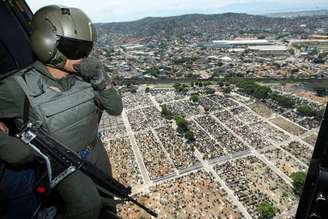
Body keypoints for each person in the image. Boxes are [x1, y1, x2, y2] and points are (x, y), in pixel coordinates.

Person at [0, 4, 123, 219]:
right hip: (61, 160)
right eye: (75, 49)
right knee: (86, 207)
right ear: (46, 44)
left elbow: (115, 108)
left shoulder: (88, 77)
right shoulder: (18, 86)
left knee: (108, 202)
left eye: (86, 49)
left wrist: (101, 80)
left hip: (95, 150)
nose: (82, 58)